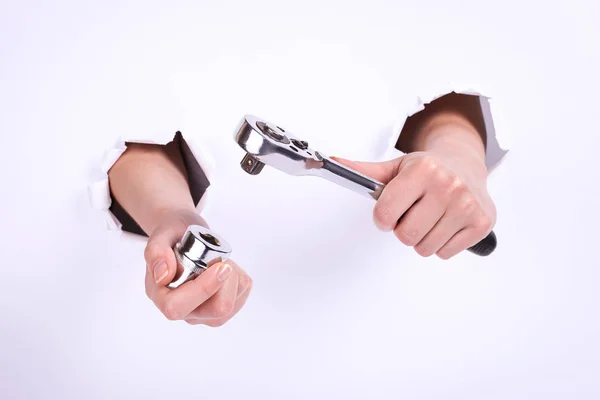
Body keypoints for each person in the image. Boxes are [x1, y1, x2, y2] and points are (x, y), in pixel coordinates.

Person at [90, 90, 507, 327]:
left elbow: (442, 56)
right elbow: (131, 110)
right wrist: (172, 216)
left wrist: (460, 157)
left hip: (401, 311)